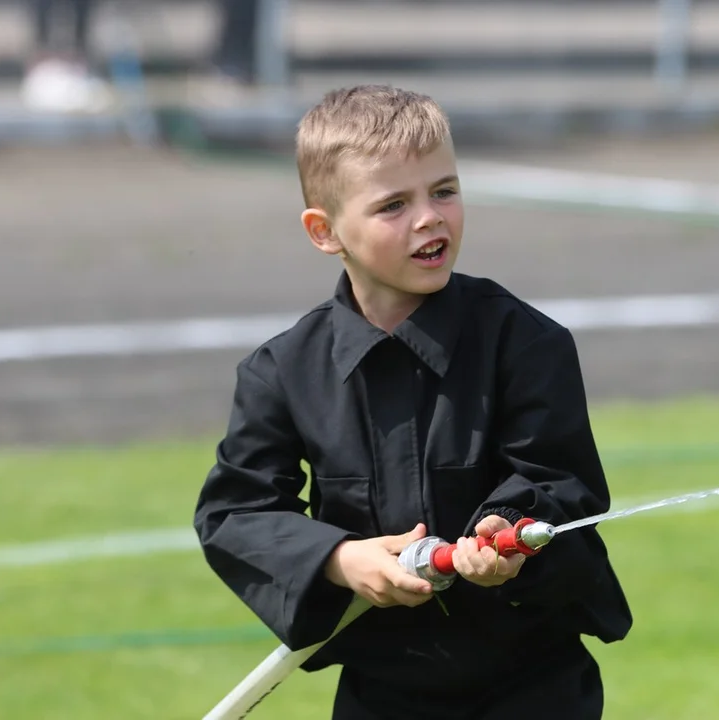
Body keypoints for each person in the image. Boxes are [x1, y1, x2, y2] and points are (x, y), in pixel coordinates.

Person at [193, 84, 633, 720]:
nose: (429, 218)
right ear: (325, 231)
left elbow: (561, 482)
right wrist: (340, 559)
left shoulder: (527, 342)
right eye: (393, 204)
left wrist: (504, 530)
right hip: (385, 693)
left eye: (444, 191)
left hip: (534, 685)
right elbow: (236, 514)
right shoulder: (282, 372)